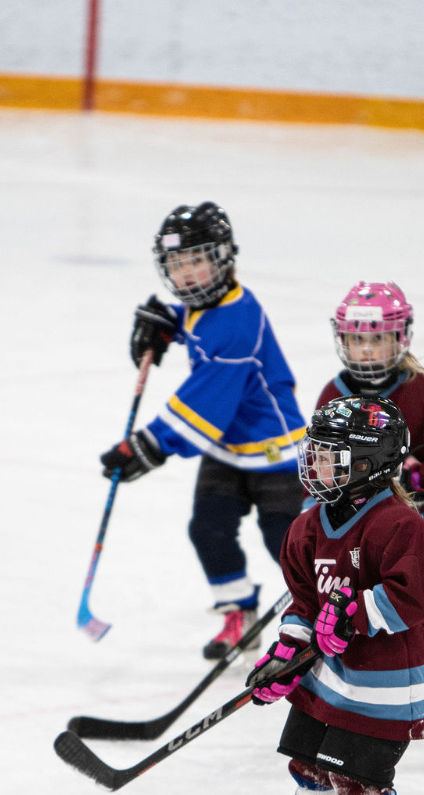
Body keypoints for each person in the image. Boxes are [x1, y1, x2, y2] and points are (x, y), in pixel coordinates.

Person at [244, 395, 424, 795]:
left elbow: (419, 593)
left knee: (358, 780)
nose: (313, 466)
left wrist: (356, 613)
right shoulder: (308, 526)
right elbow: (304, 604)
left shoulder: (397, 525)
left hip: (382, 687)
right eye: (313, 454)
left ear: (368, 463)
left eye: (328, 458)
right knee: (310, 770)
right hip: (325, 681)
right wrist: (287, 652)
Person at [99, 203, 307, 659]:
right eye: (176, 264)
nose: (186, 274)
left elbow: (205, 403)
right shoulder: (206, 306)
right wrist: (169, 323)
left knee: (287, 542)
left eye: (196, 261)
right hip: (227, 447)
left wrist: (149, 445)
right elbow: (199, 325)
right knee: (208, 529)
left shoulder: (237, 324)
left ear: (223, 259)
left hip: (276, 452)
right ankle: (239, 612)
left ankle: (324, 615)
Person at [312, 282, 424, 766]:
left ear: (401, 337)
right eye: (357, 339)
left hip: (421, 527)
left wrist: (417, 478)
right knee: (351, 613)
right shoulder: (334, 395)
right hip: (356, 531)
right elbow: (321, 465)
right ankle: (353, 710)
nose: (367, 350)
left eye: (377, 338)